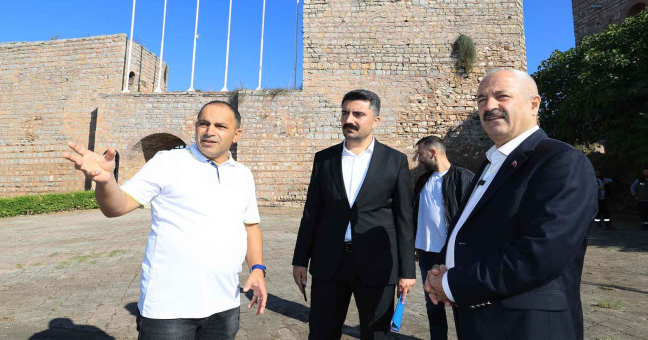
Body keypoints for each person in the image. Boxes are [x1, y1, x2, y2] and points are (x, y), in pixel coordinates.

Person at [62, 101, 267, 340]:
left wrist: (257, 269)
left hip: (225, 305)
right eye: (204, 123)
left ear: (236, 134)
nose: (209, 131)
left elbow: (251, 226)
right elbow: (116, 207)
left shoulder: (243, 175)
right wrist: (106, 181)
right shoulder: (167, 162)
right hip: (168, 309)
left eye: (220, 126)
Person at [424, 69, 597, 339]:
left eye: (501, 96)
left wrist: (452, 283)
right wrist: (441, 266)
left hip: (527, 326)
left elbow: (541, 253)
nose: (489, 106)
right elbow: (470, 229)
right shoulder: (492, 163)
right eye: (481, 99)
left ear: (534, 104)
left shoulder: (560, 161)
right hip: (481, 321)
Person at [292, 89, 415, 339]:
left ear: (376, 120)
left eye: (358, 114)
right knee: (321, 332)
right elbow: (311, 213)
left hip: (378, 262)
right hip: (329, 262)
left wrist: (407, 272)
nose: (349, 119)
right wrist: (300, 259)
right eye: (345, 113)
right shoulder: (324, 159)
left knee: (376, 334)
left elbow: (404, 219)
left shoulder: (395, 161)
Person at [413, 136, 474, 340]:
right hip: (426, 253)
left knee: (460, 301)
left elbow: (473, 216)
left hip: (453, 254)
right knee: (432, 304)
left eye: (420, 154)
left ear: (433, 153)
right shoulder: (423, 181)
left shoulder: (463, 177)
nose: (418, 159)